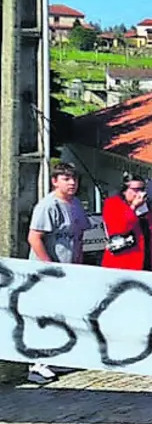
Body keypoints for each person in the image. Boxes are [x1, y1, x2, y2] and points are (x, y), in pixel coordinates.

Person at [25, 163, 89, 385]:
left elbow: (80, 237)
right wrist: (49, 266)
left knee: (62, 315)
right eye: (66, 178)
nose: (71, 183)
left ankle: (55, 357)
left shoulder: (76, 204)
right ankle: (37, 363)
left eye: (74, 179)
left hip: (70, 269)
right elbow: (34, 238)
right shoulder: (47, 206)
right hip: (48, 272)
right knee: (44, 316)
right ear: (55, 181)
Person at [100, 174, 152, 272]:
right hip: (122, 262)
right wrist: (133, 207)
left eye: (142, 189)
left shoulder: (147, 208)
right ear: (125, 191)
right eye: (136, 189)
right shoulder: (112, 204)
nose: (140, 193)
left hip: (146, 261)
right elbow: (120, 229)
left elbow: (149, 232)